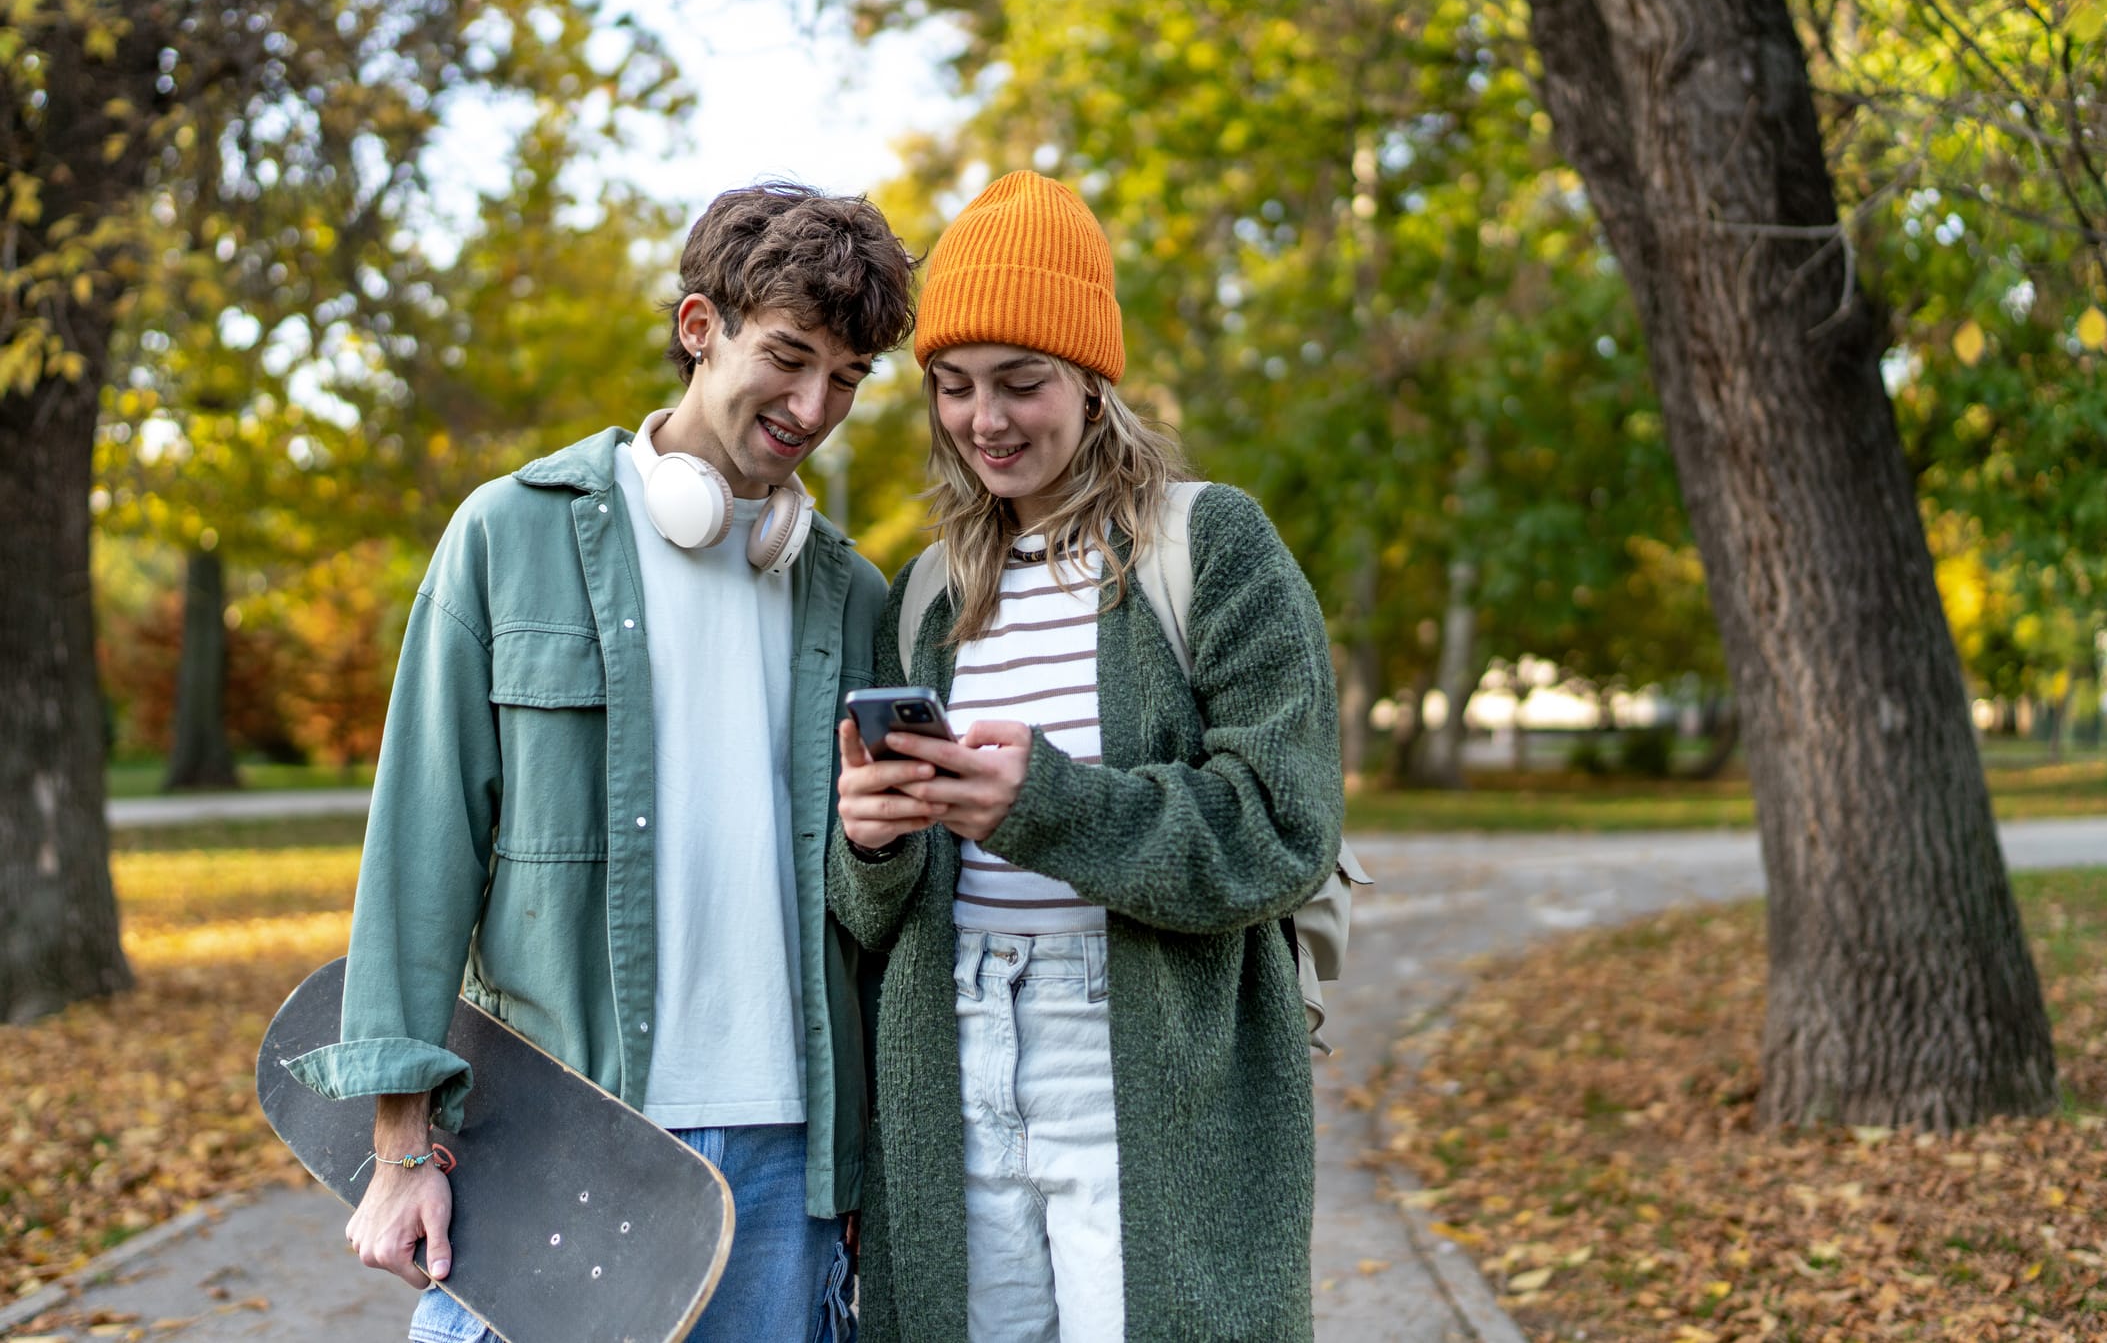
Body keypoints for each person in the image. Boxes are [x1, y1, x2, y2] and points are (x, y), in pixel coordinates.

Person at [286, 182, 917, 1343]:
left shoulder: (853, 593)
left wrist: (872, 1169)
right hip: (560, 1141)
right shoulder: (507, 537)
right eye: (788, 356)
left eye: (847, 379)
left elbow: (874, 915)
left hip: (788, 1164)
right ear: (698, 327)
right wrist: (397, 1144)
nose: (815, 404)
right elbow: (420, 849)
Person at [829, 170, 1342, 1341]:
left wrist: (1047, 804)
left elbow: (1282, 828)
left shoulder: (1209, 545)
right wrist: (869, 839)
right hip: (951, 1059)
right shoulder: (925, 595)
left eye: (1023, 383)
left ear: (1094, 381)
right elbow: (875, 914)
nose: (986, 420)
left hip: (1142, 1055)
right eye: (953, 388)